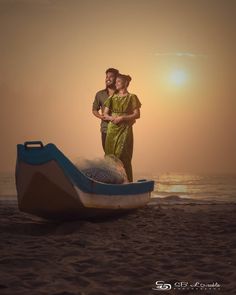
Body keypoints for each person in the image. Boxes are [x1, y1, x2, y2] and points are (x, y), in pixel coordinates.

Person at [103, 74, 141, 182]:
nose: (116, 84)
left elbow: (137, 114)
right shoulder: (112, 98)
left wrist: (123, 118)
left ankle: (127, 183)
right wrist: (112, 118)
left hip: (125, 129)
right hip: (112, 129)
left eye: (118, 82)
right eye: (115, 82)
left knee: (123, 155)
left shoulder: (132, 97)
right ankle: (111, 182)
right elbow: (105, 114)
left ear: (125, 83)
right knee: (110, 155)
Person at [92, 68, 119, 151]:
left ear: (116, 79)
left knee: (120, 157)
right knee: (108, 156)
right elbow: (94, 109)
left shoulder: (122, 94)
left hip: (120, 130)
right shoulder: (100, 94)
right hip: (105, 129)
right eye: (106, 77)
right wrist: (101, 117)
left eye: (111, 77)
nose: (108, 79)